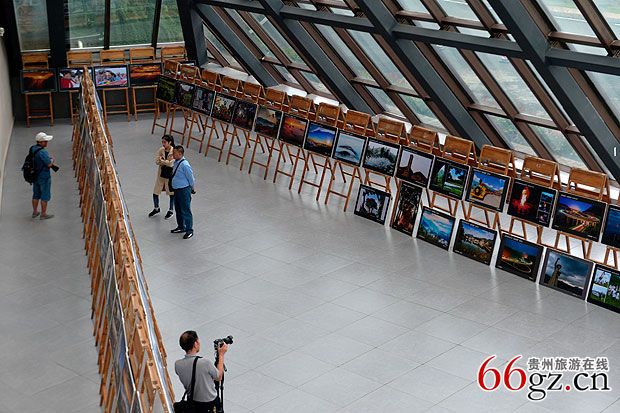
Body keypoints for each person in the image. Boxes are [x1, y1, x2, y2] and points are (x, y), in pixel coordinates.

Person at [175, 331, 227, 412]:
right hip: (209, 403)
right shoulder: (205, 363)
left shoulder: (177, 364)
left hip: (192, 402)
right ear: (195, 344)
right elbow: (219, 377)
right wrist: (221, 355)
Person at [170, 145, 195, 239]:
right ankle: (181, 226)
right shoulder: (176, 162)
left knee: (185, 210)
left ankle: (189, 230)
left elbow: (191, 178)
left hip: (184, 190)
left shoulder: (185, 165)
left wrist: (192, 188)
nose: (173, 154)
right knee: (178, 209)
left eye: (174, 153)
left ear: (180, 153)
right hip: (177, 190)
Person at [31, 132, 56, 220]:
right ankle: (43, 214)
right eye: (45, 141)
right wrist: (52, 160)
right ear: (40, 142)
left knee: (36, 194)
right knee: (45, 195)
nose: (47, 142)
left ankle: (35, 212)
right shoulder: (43, 152)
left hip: (35, 175)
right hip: (44, 176)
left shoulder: (33, 149)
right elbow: (49, 164)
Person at [149, 135, 175, 219]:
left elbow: (171, 164)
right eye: (162, 142)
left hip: (169, 176)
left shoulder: (174, 151)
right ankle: (156, 208)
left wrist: (162, 161)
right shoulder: (161, 150)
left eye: (165, 142)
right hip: (161, 175)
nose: (163, 144)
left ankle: (171, 210)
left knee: (171, 193)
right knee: (155, 192)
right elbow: (157, 161)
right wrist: (165, 162)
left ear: (170, 142)